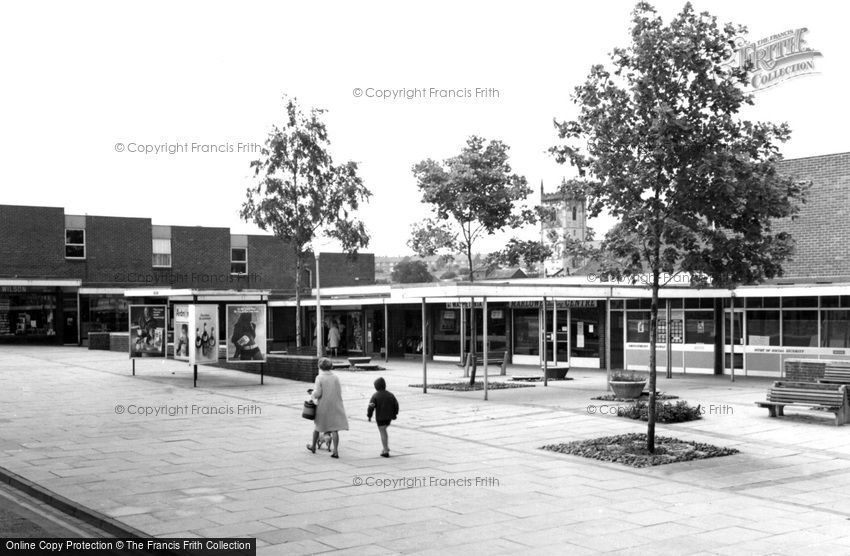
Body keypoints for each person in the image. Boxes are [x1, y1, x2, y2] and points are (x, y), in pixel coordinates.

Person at [306, 358, 349, 458]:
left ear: (320, 366)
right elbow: (339, 390)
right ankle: (336, 451)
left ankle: (313, 446)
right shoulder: (335, 377)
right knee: (334, 429)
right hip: (335, 404)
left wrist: (312, 395)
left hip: (323, 405)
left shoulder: (319, 377)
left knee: (318, 426)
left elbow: (318, 393)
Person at [367, 377, 399, 458]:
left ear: (376, 387)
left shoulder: (375, 396)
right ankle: (386, 447)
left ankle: (385, 450)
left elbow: (371, 407)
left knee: (382, 431)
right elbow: (396, 405)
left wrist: (369, 415)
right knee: (384, 430)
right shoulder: (390, 395)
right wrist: (395, 414)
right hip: (389, 417)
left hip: (380, 417)